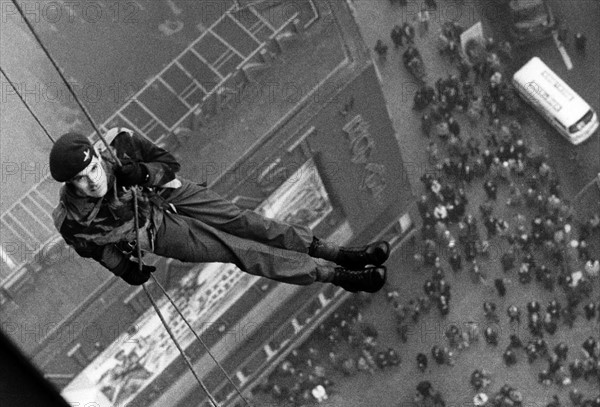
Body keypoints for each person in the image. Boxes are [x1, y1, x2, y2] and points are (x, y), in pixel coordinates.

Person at [49, 129, 390, 293]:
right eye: (80, 180)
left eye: (93, 167)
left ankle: (342, 254)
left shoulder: (118, 145)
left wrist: (144, 173)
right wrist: (124, 268)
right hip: (155, 231)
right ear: (70, 185)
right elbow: (97, 249)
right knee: (237, 249)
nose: (92, 181)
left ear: (96, 154)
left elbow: (169, 163)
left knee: (247, 222)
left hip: (168, 192)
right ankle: (335, 275)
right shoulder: (72, 223)